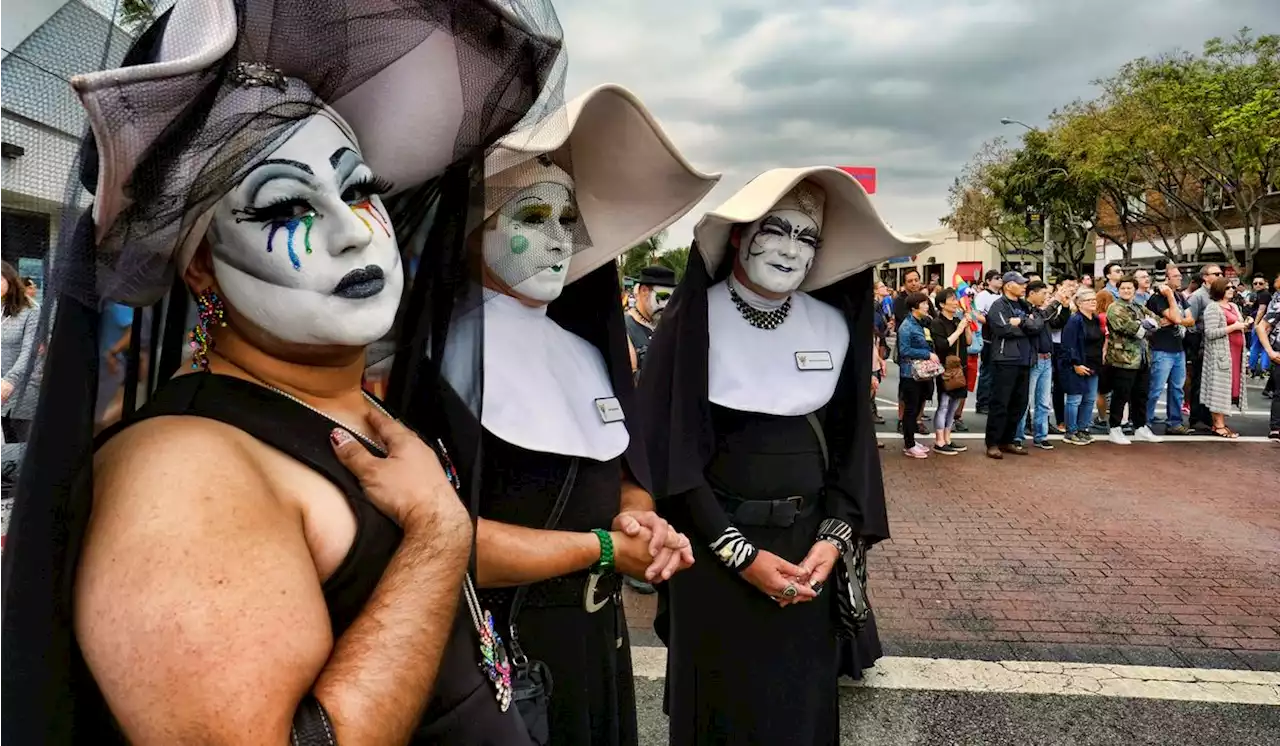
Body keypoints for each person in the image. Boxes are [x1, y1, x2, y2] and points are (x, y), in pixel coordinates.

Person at [0, 1, 566, 743]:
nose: (349, 230)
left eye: (359, 189)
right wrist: (433, 535)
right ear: (201, 264)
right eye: (287, 206)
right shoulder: (179, 473)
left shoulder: (353, 406)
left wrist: (596, 547)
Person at [442, 83, 713, 745]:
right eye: (532, 217)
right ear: (475, 224)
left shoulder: (587, 353)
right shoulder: (439, 356)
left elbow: (621, 471)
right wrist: (601, 549)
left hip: (596, 643)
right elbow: (441, 546)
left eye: (569, 220)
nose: (561, 239)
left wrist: (639, 515)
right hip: (498, 655)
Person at [635, 167, 928, 745]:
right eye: (778, 229)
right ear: (741, 235)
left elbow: (851, 453)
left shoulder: (833, 326)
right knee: (719, 711)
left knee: (800, 711)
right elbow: (671, 456)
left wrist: (833, 539)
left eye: (808, 237)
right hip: (713, 559)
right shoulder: (693, 324)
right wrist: (740, 554)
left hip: (806, 558)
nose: (793, 249)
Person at [983, 271, 1042, 459]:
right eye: (1021, 283)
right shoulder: (998, 305)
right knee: (1000, 402)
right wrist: (1026, 326)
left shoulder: (1024, 305)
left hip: (1025, 359)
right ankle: (992, 442)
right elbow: (1003, 329)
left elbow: (1037, 326)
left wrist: (1021, 323)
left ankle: (1007, 440)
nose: (1025, 286)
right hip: (1005, 359)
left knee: (1019, 403)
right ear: (1008, 285)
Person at [1102, 275, 1163, 445]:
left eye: (1129, 288)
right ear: (1118, 290)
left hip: (1142, 358)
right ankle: (1114, 428)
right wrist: (1144, 325)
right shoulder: (1115, 308)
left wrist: (1147, 324)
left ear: (1135, 290)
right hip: (1123, 359)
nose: (1126, 291)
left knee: (1141, 394)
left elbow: (1156, 320)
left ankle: (1140, 427)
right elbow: (1131, 328)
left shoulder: (1138, 306)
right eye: (1123, 288)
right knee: (1121, 395)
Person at [1145, 266, 1194, 435]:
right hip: (1161, 349)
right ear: (1166, 279)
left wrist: (1178, 319)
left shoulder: (1181, 296)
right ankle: (1145, 422)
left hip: (1178, 349)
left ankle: (1174, 422)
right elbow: (1176, 317)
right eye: (1176, 276)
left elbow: (1190, 320)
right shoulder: (1157, 298)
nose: (1180, 278)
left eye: (1180, 275)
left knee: (1177, 388)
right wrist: (1171, 298)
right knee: (1155, 388)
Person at [1201, 277, 1248, 438]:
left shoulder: (1234, 306)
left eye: (1232, 287)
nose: (1231, 289)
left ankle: (1220, 423)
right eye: (1227, 287)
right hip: (1220, 355)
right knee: (1218, 389)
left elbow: (1238, 325)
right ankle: (1218, 425)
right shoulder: (1212, 308)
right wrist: (1233, 327)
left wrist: (1244, 324)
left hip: (1236, 353)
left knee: (1229, 388)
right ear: (1219, 289)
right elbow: (1210, 333)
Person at [0, 261, 40, 444]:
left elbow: (31, 351)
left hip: (23, 388)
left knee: (25, 445)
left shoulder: (31, 310)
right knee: (8, 447)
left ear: (9, 279)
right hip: (1, 391)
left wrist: (10, 380)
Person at [930, 287, 971, 454]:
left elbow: (968, 342)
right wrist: (960, 328)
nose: (956, 302)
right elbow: (943, 345)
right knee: (944, 404)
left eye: (956, 299)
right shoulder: (937, 323)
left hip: (960, 367)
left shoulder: (956, 320)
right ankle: (939, 441)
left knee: (954, 404)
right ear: (941, 304)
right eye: (952, 299)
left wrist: (967, 326)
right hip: (945, 368)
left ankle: (948, 437)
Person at [1060, 288, 1104, 445]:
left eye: (1094, 299)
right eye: (1088, 300)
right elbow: (1068, 344)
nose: (1093, 302)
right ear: (1079, 303)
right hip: (1077, 364)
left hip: (1094, 364)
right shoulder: (1074, 320)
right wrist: (1075, 364)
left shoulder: (1096, 319)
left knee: (1089, 398)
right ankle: (1070, 431)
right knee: (1075, 399)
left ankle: (1083, 428)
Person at [897, 292, 937, 459]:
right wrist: (927, 354)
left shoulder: (921, 323)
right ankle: (909, 444)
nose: (927, 306)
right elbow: (904, 351)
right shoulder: (907, 326)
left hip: (921, 373)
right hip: (910, 373)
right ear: (914, 307)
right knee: (911, 409)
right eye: (924, 304)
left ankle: (912, 441)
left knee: (917, 406)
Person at [1018, 280, 1055, 450]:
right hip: (1034, 359)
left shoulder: (1041, 312)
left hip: (1047, 358)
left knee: (1044, 401)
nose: (1046, 297)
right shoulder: (1025, 309)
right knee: (1025, 400)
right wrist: (1052, 306)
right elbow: (1034, 327)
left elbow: (1059, 321)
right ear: (1032, 293)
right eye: (1043, 294)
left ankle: (1041, 435)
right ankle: (1018, 436)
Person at [626, 265, 677, 377]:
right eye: (663, 297)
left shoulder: (670, 325)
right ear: (644, 291)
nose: (668, 304)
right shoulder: (626, 328)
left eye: (672, 299)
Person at [973, 269, 1003, 414]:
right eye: (997, 278)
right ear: (988, 281)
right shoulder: (983, 296)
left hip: (1001, 338)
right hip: (988, 337)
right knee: (987, 371)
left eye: (1001, 278)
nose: (1000, 280)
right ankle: (982, 402)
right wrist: (991, 322)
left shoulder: (1002, 296)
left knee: (999, 372)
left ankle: (993, 400)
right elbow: (976, 314)